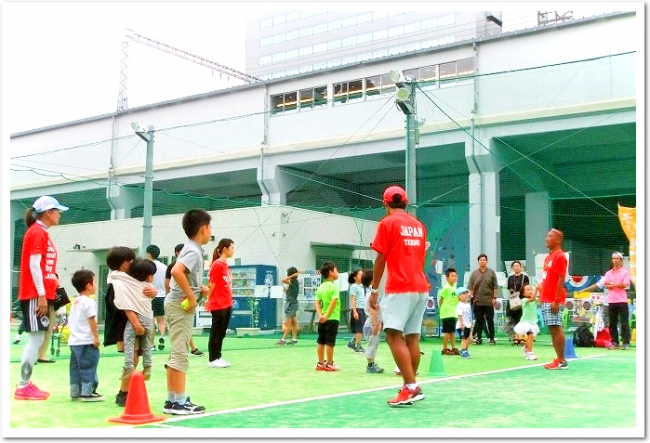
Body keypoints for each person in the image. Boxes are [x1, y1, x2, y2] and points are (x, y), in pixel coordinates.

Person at [369, 185, 429, 406]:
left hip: (400, 287)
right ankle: (411, 386)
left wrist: (374, 290)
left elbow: (380, 259)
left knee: (394, 335)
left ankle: (411, 387)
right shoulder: (419, 226)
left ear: (385, 204)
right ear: (405, 201)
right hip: (420, 286)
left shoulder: (387, 223)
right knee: (412, 336)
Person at [15, 195, 68, 400]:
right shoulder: (37, 232)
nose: (60, 214)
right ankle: (23, 385)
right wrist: (42, 295)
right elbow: (34, 265)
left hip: (40, 293)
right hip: (35, 294)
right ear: (48, 212)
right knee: (35, 339)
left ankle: (25, 384)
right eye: (57, 210)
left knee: (36, 340)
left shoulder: (41, 232)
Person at [164, 209, 212, 415]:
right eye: (210, 227)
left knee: (177, 351)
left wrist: (197, 289)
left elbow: (183, 273)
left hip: (176, 304)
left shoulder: (190, 248)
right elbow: (176, 271)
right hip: (179, 306)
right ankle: (180, 402)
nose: (211, 232)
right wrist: (191, 297)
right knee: (180, 354)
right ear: (203, 229)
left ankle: (173, 399)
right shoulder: (193, 250)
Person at [111, 258, 157, 383]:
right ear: (149, 277)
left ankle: (128, 366)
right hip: (148, 319)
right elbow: (154, 293)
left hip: (135, 319)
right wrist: (155, 291)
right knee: (147, 345)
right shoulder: (149, 287)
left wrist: (137, 325)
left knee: (129, 342)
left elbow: (115, 275)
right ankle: (147, 367)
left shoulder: (128, 285)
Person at [68, 269, 104, 401]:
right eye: (94, 281)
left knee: (76, 367)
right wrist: (96, 336)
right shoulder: (89, 302)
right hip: (86, 341)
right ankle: (87, 392)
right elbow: (91, 320)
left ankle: (75, 391)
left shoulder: (76, 302)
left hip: (74, 341)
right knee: (89, 365)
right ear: (89, 285)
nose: (96, 284)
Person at [165, 243, 203, 356]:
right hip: (177, 303)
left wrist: (200, 293)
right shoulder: (175, 266)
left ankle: (193, 348)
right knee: (179, 350)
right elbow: (169, 281)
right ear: (177, 253)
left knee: (183, 331)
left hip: (184, 303)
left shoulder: (192, 265)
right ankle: (193, 348)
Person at [541, 228, 569, 370]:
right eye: (547, 236)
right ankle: (558, 358)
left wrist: (557, 299)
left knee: (556, 328)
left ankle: (562, 360)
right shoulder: (548, 258)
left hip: (553, 300)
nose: (546, 238)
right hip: (545, 299)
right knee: (552, 329)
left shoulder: (560, 256)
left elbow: (560, 279)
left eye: (550, 236)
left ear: (558, 240)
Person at [206, 238, 235, 368]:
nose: (233, 251)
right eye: (232, 248)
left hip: (227, 302)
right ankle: (212, 359)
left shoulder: (225, 265)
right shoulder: (217, 265)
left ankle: (218, 356)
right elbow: (212, 284)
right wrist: (208, 300)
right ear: (225, 249)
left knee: (222, 331)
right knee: (216, 331)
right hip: (218, 303)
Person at [315, 261, 341, 372]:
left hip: (322, 319)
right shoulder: (335, 287)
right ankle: (330, 364)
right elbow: (333, 302)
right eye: (336, 270)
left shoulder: (320, 287)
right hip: (332, 319)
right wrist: (326, 315)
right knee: (330, 342)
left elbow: (316, 302)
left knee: (321, 341)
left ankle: (320, 363)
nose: (337, 272)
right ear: (331, 272)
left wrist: (320, 315)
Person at [602, 252, 632, 350]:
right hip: (611, 301)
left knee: (624, 322)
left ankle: (626, 342)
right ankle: (615, 342)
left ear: (621, 260)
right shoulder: (608, 273)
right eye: (613, 259)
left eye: (617, 259)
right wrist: (616, 284)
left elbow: (624, 284)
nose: (615, 260)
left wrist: (612, 284)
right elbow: (606, 285)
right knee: (612, 323)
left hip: (622, 300)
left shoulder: (625, 272)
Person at [468, 254, 499, 345]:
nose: (482, 261)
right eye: (480, 260)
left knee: (490, 320)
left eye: (484, 260)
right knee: (479, 320)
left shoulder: (491, 272)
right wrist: (471, 297)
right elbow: (470, 287)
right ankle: (479, 338)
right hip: (477, 300)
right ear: (478, 262)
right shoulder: (474, 273)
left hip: (489, 301)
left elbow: (495, 286)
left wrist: (494, 298)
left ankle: (491, 338)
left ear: (487, 261)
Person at [146, 244, 169, 352]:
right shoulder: (164, 267)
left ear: (149, 254)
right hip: (162, 296)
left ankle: (151, 345)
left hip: (150, 296)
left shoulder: (147, 266)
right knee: (161, 320)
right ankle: (162, 336)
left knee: (151, 321)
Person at [362, 269, 384, 373]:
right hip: (371, 324)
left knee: (374, 344)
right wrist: (376, 325)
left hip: (373, 324)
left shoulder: (373, 293)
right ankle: (370, 365)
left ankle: (372, 363)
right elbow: (373, 311)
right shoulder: (371, 295)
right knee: (372, 344)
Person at [514, 284, 540, 360]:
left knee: (531, 337)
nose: (530, 291)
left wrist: (540, 290)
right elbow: (532, 299)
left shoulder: (535, 299)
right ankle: (530, 353)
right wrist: (536, 290)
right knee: (531, 336)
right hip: (525, 323)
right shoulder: (524, 300)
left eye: (530, 289)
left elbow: (540, 300)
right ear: (523, 294)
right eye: (527, 290)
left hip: (533, 323)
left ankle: (526, 348)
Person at [505, 260, 530, 338]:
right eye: (514, 266)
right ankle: (515, 336)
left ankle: (524, 335)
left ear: (521, 267)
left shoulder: (524, 277)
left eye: (517, 266)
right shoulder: (510, 278)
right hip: (513, 301)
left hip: (522, 300)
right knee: (513, 318)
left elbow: (527, 288)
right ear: (512, 268)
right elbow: (509, 289)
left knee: (522, 317)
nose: (516, 267)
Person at [277, 266, 301, 345]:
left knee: (288, 323)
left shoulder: (294, 281)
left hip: (291, 304)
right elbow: (290, 292)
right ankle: (294, 340)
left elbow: (283, 280)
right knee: (293, 322)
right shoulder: (293, 282)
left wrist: (291, 276)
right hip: (293, 303)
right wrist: (286, 291)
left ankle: (283, 340)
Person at [438, 267, 460, 355]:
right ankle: (444, 348)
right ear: (447, 278)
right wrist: (441, 309)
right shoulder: (446, 288)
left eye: (455, 276)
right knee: (447, 332)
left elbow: (456, 300)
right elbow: (441, 300)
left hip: (453, 313)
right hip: (447, 313)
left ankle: (454, 347)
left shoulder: (455, 289)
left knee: (452, 331)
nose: (454, 278)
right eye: (452, 276)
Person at [347, 269, 366, 353]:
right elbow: (353, 299)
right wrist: (354, 311)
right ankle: (358, 346)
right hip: (358, 309)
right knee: (359, 329)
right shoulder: (353, 287)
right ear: (355, 277)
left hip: (363, 309)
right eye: (360, 275)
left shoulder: (363, 286)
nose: (362, 276)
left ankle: (352, 342)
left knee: (361, 328)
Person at [455, 287, 473, 358]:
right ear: (459, 296)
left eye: (466, 293)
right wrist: (462, 324)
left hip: (468, 325)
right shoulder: (460, 305)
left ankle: (464, 349)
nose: (466, 295)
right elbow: (459, 315)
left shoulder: (468, 304)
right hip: (462, 325)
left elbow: (469, 314)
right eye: (463, 293)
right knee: (464, 338)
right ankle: (464, 350)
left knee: (471, 339)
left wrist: (471, 322)